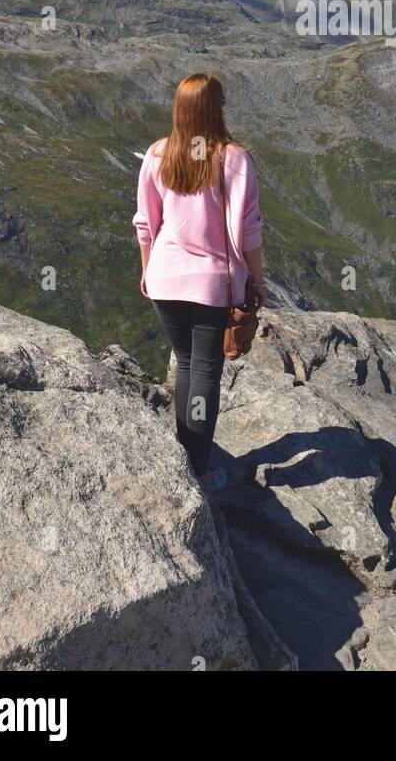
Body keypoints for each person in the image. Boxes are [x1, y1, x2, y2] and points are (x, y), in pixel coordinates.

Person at [133, 73, 266, 487]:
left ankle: (187, 459)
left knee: (186, 363)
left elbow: (144, 223)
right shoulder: (233, 159)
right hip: (211, 284)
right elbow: (249, 231)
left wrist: (147, 268)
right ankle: (200, 472)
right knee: (204, 373)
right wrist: (257, 283)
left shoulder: (157, 154)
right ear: (215, 108)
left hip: (164, 279)